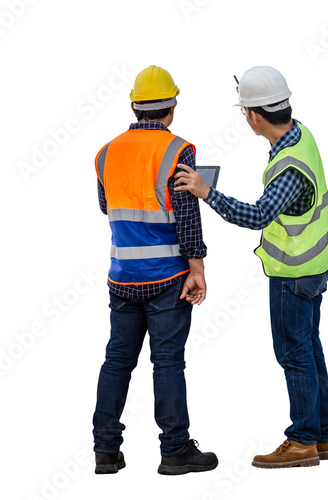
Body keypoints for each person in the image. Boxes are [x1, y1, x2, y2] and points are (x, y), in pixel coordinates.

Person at [175, 66, 328, 469]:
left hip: (294, 272)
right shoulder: (301, 134)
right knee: (310, 350)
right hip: (317, 264)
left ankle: (302, 441)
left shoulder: (288, 165)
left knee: (295, 354)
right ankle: (321, 437)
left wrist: (205, 191)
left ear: (253, 116)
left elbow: (258, 215)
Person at [92, 65, 218, 476]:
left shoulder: (106, 152)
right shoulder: (179, 149)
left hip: (122, 276)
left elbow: (106, 206)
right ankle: (175, 451)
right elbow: (186, 215)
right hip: (168, 276)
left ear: (133, 105)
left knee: (116, 362)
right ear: (172, 107)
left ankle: (106, 452)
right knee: (167, 363)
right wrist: (196, 267)